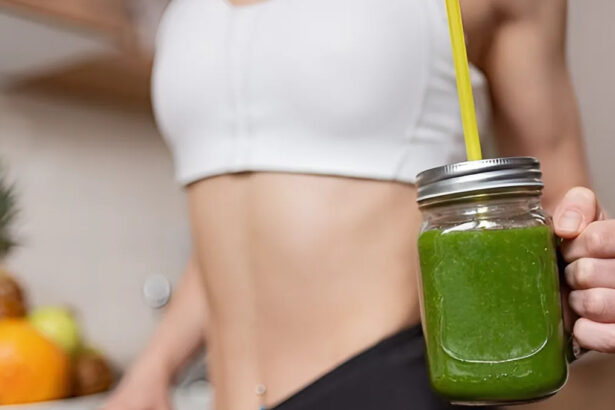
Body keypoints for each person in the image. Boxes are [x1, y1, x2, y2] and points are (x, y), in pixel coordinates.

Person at [105, 0, 615, 409]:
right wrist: (155, 366)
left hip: (382, 386)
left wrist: (584, 264)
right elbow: (235, 218)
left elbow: (554, 195)